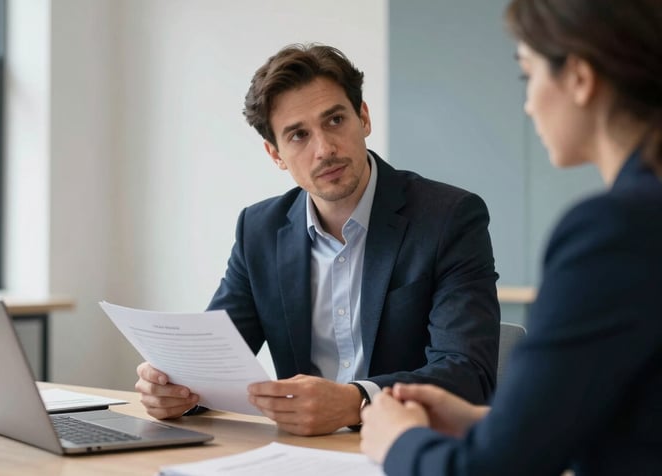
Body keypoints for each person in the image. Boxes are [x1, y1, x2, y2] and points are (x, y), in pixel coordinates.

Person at [135, 43, 501, 436]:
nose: (324, 149)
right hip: (299, 454)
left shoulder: (448, 217)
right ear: (275, 154)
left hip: (409, 449)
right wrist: (176, 392)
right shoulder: (258, 230)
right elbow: (211, 364)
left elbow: (469, 372)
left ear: (363, 118)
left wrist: (357, 401)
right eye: (298, 135)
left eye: (335, 120)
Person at [360, 0, 662, 474]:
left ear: (580, 79)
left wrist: (398, 441)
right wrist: (491, 421)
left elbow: (492, 470)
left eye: (528, 76)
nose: (527, 103)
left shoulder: (613, 230)